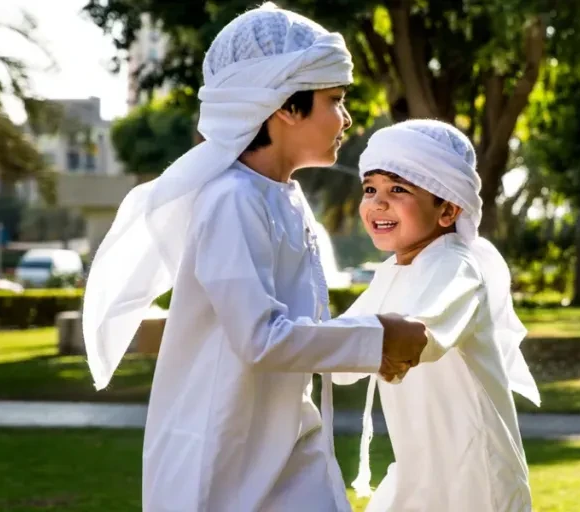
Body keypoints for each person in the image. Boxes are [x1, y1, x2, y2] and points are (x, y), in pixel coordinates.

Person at [80, 5, 427, 511]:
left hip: (289, 447)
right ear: (286, 106)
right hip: (221, 463)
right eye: (335, 100)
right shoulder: (230, 200)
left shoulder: (284, 196)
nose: (347, 118)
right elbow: (260, 337)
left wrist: (381, 347)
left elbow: (300, 331)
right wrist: (379, 338)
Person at [328, 119, 541, 511]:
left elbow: (422, 335)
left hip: (476, 481)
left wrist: (388, 347)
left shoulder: (456, 265)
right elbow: (340, 361)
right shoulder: (391, 274)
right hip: (417, 477)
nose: (377, 202)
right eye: (370, 188)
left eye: (397, 189)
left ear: (447, 208)